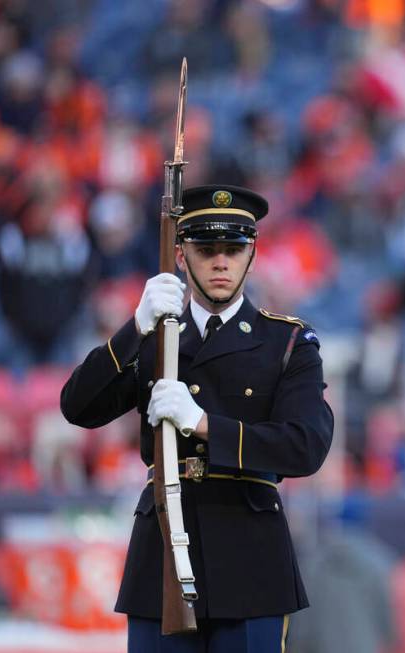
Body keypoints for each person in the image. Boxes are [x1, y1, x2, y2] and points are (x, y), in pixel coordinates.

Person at [60, 184, 334, 652]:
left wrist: (204, 423)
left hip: (249, 556)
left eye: (233, 249)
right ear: (182, 256)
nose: (221, 262)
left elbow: (305, 446)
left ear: (253, 255)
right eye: (206, 250)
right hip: (163, 550)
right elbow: (78, 407)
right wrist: (135, 328)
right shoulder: (156, 338)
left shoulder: (286, 342)